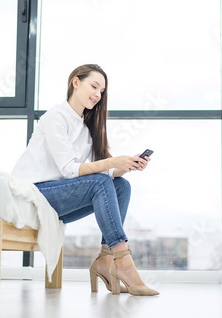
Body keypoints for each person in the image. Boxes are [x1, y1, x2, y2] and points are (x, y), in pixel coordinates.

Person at [12, 64, 159, 296]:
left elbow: (102, 172)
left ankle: (105, 259)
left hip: (58, 197)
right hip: (34, 195)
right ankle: (124, 263)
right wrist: (112, 162)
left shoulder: (86, 126)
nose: (97, 94)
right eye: (94, 86)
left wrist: (127, 165)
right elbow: (70, 170)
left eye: (101, 91)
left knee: (121, 186)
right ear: (75, 83)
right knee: (100, 182)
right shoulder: (56, 117)